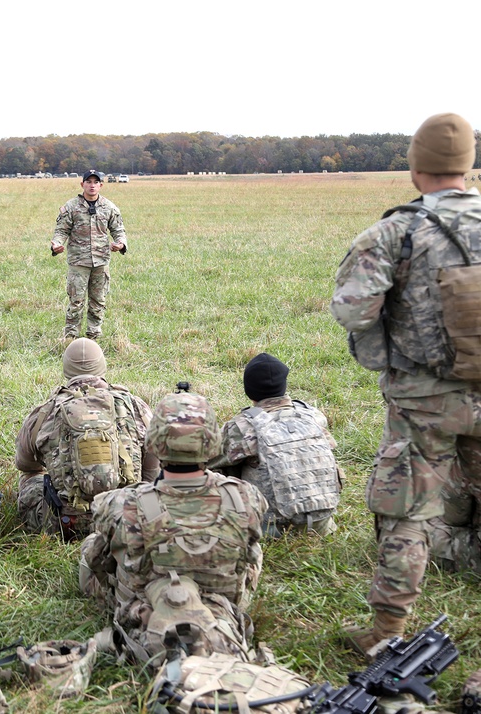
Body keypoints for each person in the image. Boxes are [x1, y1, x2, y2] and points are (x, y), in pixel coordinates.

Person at [330, 112, 481, 658]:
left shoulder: (396, 231)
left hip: (424, 400)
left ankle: (387, 632)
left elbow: (351, 311)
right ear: (469, 167)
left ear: (416, 170)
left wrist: (388, 353)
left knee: (408, 513)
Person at [80, 386, 268, 666]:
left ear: (154, 443)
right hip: (224, 608)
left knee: (93, 545)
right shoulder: (245, 497)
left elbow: (99, 560)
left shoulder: (122, 503)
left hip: (149, 614)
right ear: (212, 442)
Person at [15, 338, 158, 540]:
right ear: (102, 366)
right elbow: (154, 460)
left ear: (66, 369)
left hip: (64, 525)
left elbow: (24, 463)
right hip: (126, 522)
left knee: (31, 477)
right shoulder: (135, 406)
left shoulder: (45, 411)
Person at [209, 352, 343, 536]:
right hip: (322, 522)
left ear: (249, 390)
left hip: (272, 528)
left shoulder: (242, 427)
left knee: (218, 470)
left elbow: (208, 461)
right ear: (284, 385)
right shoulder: (314, 416)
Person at [51, 169, 126, 342]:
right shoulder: (71, 207)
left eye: (95, 182)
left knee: (98, 301)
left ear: (101, 185)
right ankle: (71, 337)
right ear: (82, 184)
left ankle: (94, 335)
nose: (92, 185)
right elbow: (61, 230)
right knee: (76, 301)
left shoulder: (109, 207)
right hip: (78, 262)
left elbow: (118, 230)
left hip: (100, 261)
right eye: (88, 182)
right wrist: (56, 244)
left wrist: (120, 244)